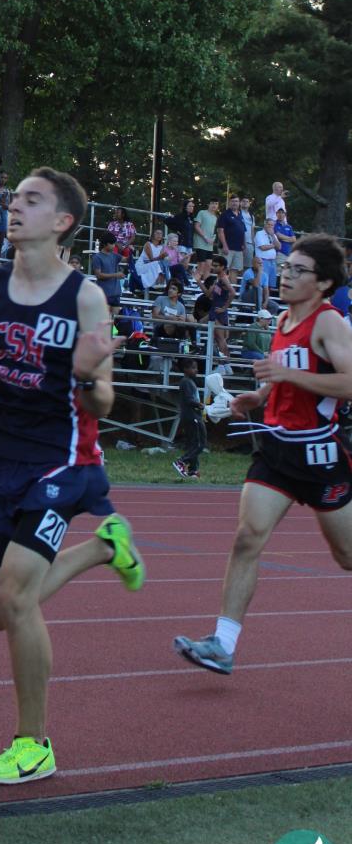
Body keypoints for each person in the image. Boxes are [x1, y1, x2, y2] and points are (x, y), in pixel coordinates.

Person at [0, 167, 145, 785]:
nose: (14, 206)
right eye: (14, 197)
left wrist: (86, 373)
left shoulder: (85, 297)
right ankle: (103, 549)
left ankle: (34, 744)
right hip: (4, 461)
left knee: (17, 597)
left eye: (31, 200)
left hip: (63, 459)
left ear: (63, 222)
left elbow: (103, 399)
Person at [175, 234, 352, 675]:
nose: (286, 276)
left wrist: (286, 375)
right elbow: (281, 377)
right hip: (276, 450)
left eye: (298, 270)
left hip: (319, 454)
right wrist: (258, 396)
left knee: (347, 556)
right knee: (247, 537)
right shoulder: (283, 319)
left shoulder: (330, 323)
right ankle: (222, 644)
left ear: (323, 283)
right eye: (286, 267)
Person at [172, 358, 205, 479]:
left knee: (193, 444)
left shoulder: (190, 382)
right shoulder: (186, 382)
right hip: (193, 416)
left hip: (192, 416)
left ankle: (193, 470)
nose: (196, 370)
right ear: (185, 369)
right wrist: (199, 405)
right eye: (193, 368)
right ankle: (181, 461)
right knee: (200, 444)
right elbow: (189, 399)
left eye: (196, 368)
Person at [151, 280, 195, 350]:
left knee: (190, 320)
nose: (170, 290)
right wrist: (170, 318)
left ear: (179, 294)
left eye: (174, 289)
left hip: (176, 329)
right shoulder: (160, 299)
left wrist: (181, 320)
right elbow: (154, 316)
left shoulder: (181, 306)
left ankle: (193, 345)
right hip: (160, 327)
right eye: (170, 288)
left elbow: (182, 321)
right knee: (171, 324)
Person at [209, 256, 235, 362]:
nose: (213, 267)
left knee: (220, 339)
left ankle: (225, 363)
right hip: (215, 309)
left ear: (222, 267)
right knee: (217, 338)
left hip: (219, 310)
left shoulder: (223, 278)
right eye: (213, 265)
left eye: (216, 266)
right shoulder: (219, 278)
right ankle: (224, 362)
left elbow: (233, 292)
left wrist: (224, 308)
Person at [216, 195, 247, 281]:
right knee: (223, 269)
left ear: (239, 203)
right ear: (229, 202)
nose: (234, 203)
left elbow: (243, 231)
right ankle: (219, 287)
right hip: (227, 248)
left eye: (236, 201)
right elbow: (220, 231)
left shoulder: (240, 215)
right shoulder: (224, 215)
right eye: (233, 201)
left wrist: (244, 245)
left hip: (238, 249)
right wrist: (225, 245)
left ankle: (232, 288)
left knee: (235, 270)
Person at [90, 238, 122, 314]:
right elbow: (98, 275)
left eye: (114, 243)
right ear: (105, 244)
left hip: (116, 294)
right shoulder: (97, 257)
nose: (114, 246)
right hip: (104, 293)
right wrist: (115, 275)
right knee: (104, 318)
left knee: (114, 319)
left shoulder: (114, 255)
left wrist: (131, 251)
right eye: (112, 244)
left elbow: (126, 259)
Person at [192, 199, 219, 281]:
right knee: (201, 266)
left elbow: (215, 232)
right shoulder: (202, 213)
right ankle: (193, 283)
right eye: (212, 203)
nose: (214, 205)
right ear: (209, 204)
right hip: (200, 244)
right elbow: (196, 226)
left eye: (216, 203)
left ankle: (206, 286)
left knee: (208, 266)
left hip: (209, 246)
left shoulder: (215, 217)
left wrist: (213, 239)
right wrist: (205, 237)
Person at [254, 215, 279, 296]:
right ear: (265, 224)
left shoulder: (273, 235)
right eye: (269, 224)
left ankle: (267, 300)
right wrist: (274, 245)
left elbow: (279, 247)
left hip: (272, 262)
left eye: (272, 225)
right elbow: (263, 247)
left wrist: (273, 236)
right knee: (263, 283)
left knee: (270, 285)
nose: (270, 226)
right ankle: (260, 300)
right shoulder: (259, 234)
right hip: (263, 261)